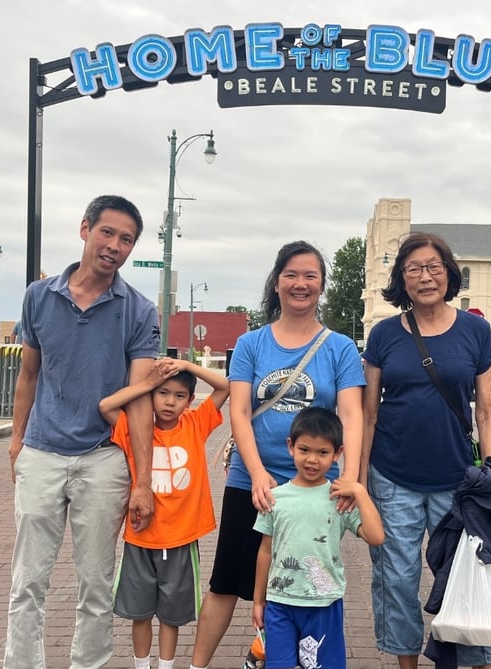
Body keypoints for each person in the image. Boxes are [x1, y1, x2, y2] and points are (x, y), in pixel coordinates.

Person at [189, 240, 365, 669]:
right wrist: (257, 472)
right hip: (253, 483)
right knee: (227, 581)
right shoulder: (252, 344)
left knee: (304, 583)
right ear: (277, 281)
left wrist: (352, 479)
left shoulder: (339, 347)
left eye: (310, 276)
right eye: (291, 275)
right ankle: (195, 666)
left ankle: (283, 655)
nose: (300, 284)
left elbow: (351, 414)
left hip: (317, 488)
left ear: (322, 284)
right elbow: (241, 411)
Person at [3, 195, 160, 669]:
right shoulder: (39, 297)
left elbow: (140, 400)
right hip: (42, 453)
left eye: (126, 239)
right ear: (85, 229)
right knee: (28, 580)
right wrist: (17, 441)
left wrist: (143, 480)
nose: (115, 246)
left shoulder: (138, 309)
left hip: (103, 457)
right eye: (107, 232)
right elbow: (28, 374)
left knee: (96, 582)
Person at [362, 231, 491, 669]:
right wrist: (359, 478)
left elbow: (488, 410)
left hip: (457, 479)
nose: (425, 277)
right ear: (402, 280)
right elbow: (367, 414)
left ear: (449, 273)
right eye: (414, 269)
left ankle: (466, 659)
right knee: (397, 579)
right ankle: (407, 664)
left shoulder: (475, 330)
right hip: (392, 476)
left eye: (434, 267)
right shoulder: (383, 335)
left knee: (459, 575)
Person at [98, 357, 230, 669]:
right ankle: (141, 665)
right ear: (152, 396)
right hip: (142, 537)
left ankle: (166, 665)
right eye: (163, 393)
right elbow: (106, 406)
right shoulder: (134, 429)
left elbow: (224, 386)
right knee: (140, 613)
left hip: (182, 538)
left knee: (172, 616)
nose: (170, 402)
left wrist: (185, 365)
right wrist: (147, 383)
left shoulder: (196, 424)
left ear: (189, 401)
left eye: (180, 396)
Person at [251, 407, 385, 669]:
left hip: (324, 604)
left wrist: (358, 490)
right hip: (280, 603)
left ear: (338, 453)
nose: (312, 459)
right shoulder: (275, 497)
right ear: (290, 447)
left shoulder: (339, 499)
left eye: (323, 452)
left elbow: (376, 536)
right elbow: (265, 551)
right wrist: (259, 601)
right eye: (304, 450)